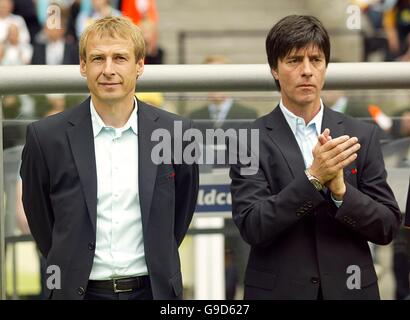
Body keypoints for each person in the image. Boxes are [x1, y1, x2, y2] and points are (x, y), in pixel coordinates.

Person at [20, 16, 199, 300]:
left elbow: (181, 211)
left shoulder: (176, 133)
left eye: (120, 58)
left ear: (139, 65)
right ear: (82, 66)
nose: (108, 70)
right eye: (97, 58)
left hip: (153, 293)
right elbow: (41, 220)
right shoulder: (46, 137)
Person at [229, 15, 401, 300]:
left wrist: (341, 193)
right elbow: (253, 225)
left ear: (325, 66)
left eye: (316, 60)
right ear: (274, 69)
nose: (307, 70)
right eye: (294, 60)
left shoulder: (362, 135)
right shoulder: (248, 139)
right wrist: (313, 178)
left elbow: (387, 227)